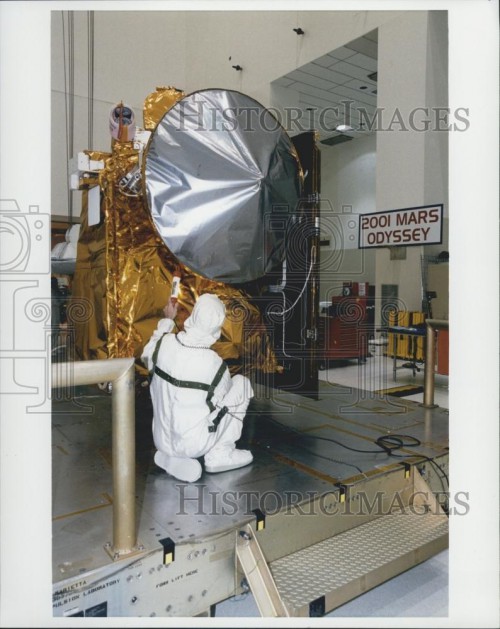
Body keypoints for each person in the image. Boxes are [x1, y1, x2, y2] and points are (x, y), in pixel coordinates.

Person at [141, 292, 254, 483]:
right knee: (241, 384)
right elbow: (223, 405)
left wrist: (167, 321)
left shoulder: (163, 344)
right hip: (195, 445)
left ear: (193, 315)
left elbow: (146, 356)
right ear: (218, 327)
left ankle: (172, 454)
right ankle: (220, 455)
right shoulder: (215, 365)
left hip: (160, 439)